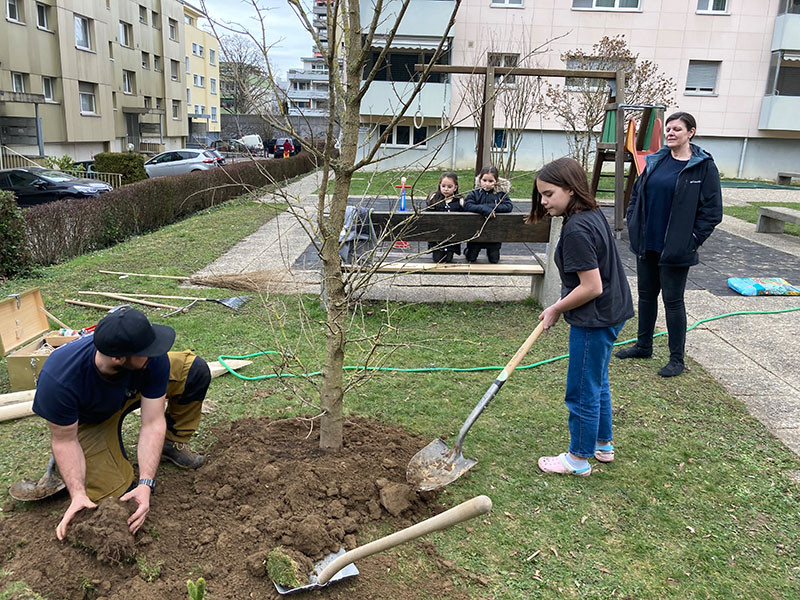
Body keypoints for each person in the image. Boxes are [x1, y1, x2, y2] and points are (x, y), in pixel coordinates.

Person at [32, 306, 210, 540]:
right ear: (118, 357)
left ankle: (171, 445)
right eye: (145, 351)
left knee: (193, 371)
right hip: (90, 420)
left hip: (131, 392)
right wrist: (77, 494)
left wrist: (146, 483)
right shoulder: (60, 379)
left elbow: (152, 422)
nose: (155, 352)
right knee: (120, 497)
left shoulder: (150, 359)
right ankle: (69, 467)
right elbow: (65, 440)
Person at [527, 157, 634, 476]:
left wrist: (557, 307)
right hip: (614, 311)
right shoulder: (591, 212)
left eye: (549, 194)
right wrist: (560, 306)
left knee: (582, 387)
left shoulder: (576, 229)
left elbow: (591, 286)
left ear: (571, 190)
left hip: (595, 318)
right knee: (597, 380)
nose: (544, 202)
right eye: (541, 195)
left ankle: (578, 458)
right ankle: (602, 443)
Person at [616, 111, 722, 377]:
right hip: (647, 242)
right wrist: (633, 223)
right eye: (669, 129)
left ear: (691, 132)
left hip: (676, 248)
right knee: (647, 296)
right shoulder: (656, 161)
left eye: (677, 129)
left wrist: (692, 240)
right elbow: (637, 195)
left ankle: (677, 360)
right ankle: (643, 345)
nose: (670, 133)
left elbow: (712, 211)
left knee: (673, 301)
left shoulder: (703, 166)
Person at [463, 166, 512, 263]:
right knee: (471, 258)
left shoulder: (500, 194)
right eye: (484, 180)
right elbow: (467, 205)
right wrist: (483, 209)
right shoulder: (475, 193)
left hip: (494, 235)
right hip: (476, 233)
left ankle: (491, 253)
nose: (487, 184)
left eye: (490, 181)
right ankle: (467, 251)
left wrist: (491, 208)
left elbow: (508, 206)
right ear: (480, 179)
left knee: (494, 260)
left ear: (496, 181)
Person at [425, 172, 464, 263]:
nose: (446, 189)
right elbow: (428, 215)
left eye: (449, 187)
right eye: (443, 186)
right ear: (439, 186)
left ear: (455, 187)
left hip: (452, 236)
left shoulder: (459, 201)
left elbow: (463, 218)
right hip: (437, 236)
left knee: (448, 259)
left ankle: (449, 251)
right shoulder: (434, 199)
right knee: (438, 259)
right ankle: (438, 250)